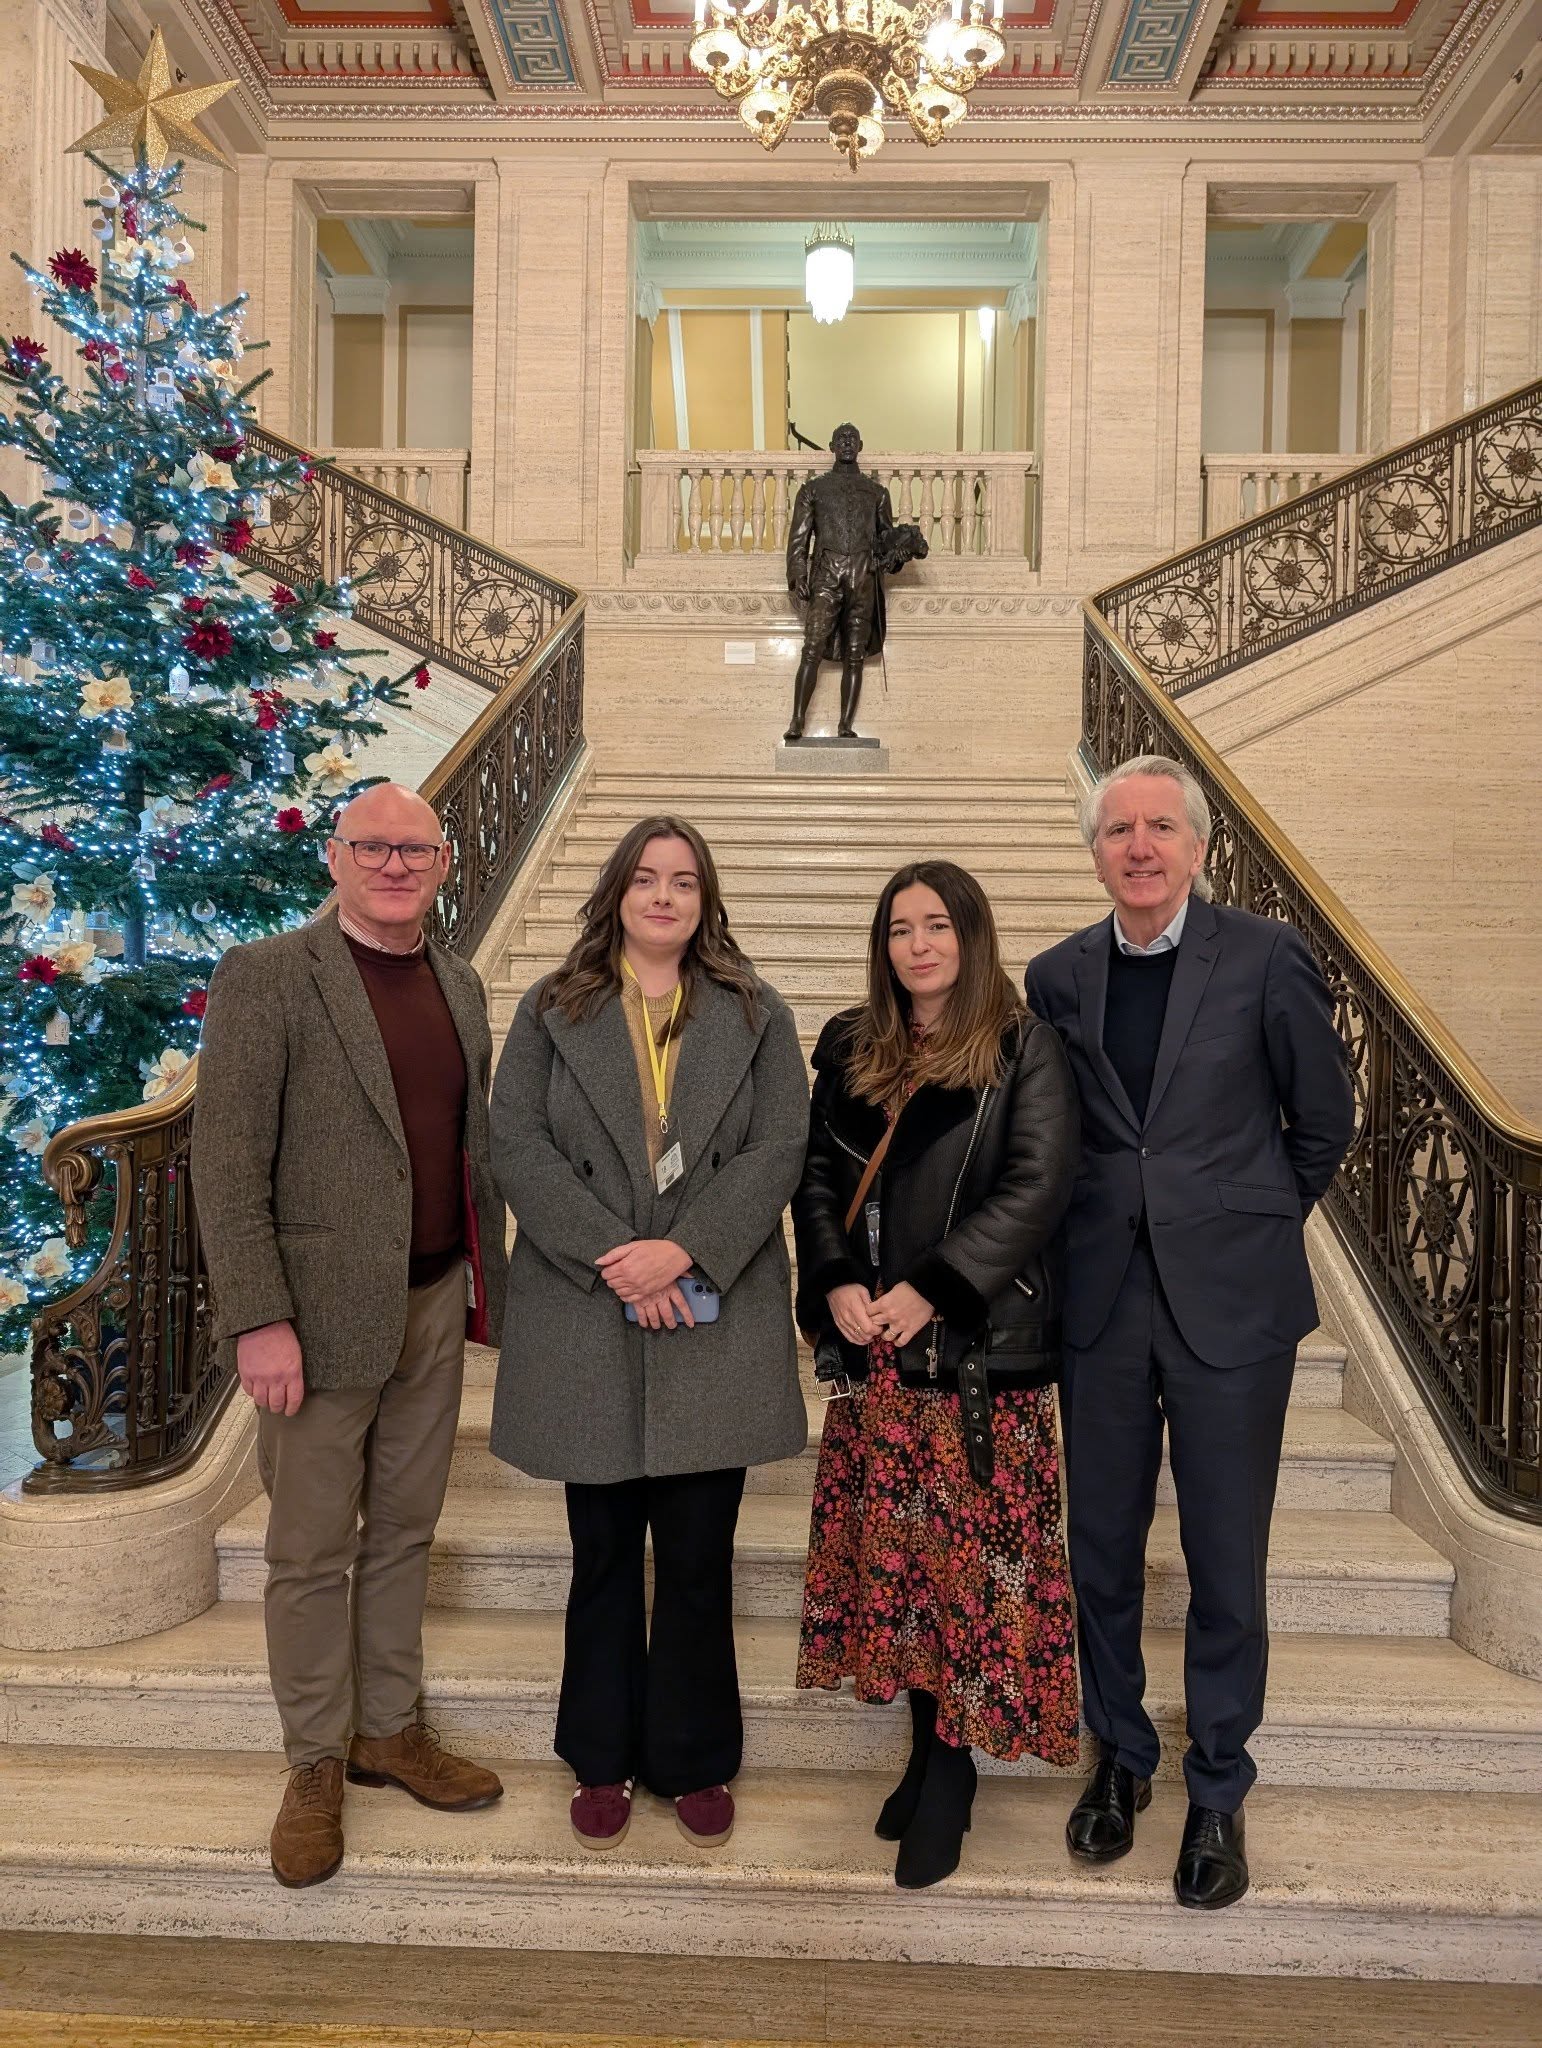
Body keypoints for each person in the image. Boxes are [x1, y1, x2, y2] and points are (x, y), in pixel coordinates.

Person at [1026, 754, 1355, 1911]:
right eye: (1118, 829)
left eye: (1161, 824)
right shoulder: (1055, 975)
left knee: (1226, 1558)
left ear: (1200, 844)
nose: (1141, 845)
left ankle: (1218, 1782)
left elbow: (1323, 1120)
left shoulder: (1265, 956)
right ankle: (1120, 1754)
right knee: (1102, 1550)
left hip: (1233, 1305)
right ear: (1096, 850)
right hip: (1101, 1301)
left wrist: (1241, 1218)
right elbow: (1050, 1136)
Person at [192, 782, 509, 1891]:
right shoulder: (270, 976)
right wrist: (259, 1318)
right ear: (335, 856)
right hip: (315, 1323)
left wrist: (489, 1284)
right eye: (372, 844)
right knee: (309, 1549)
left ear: (442, 860)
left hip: (433, 1299)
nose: (393, 862)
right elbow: (226, 1165)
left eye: (413, 847)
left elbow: (472, 1147)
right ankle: (316, 1759)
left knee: (405, 1531)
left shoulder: (460, 982)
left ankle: (391, 1726)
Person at [489, 816, 809, 1852]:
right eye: (646, 878)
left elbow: (779, 1147)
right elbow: (517, 1144)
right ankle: (599, 1752)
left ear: (706, 900)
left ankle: (695, 1753)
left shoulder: (758, 1012)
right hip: (590, 1305)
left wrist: (685, 1250)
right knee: (603, 1548)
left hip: (712, 1302)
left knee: (701, 1550)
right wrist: (616, 1254)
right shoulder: (554, 1007)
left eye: (684, 881)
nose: (664, 896)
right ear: (618, 892)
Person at [793, 860, 1081, 1890]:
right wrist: (830, 1277)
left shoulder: (1021, 1048)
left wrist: (935, 1286)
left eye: (936, 926)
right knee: (901, 1569)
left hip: (973, 1362)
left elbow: (1037, 1182)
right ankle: (925, 1744)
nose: (917, 944)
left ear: (971, 935)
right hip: (875, 1357)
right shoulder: (851, 1046)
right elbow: (818, 1174)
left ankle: (955, 1767)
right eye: (899, 928)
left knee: (965, 1575)